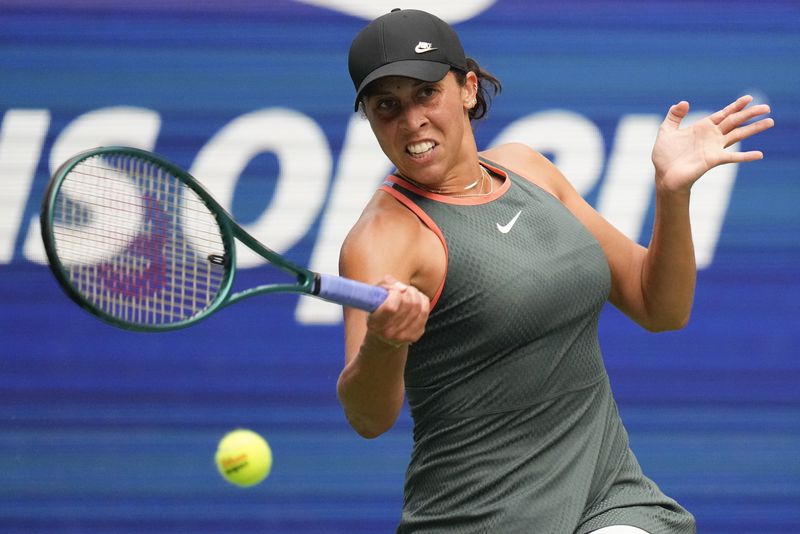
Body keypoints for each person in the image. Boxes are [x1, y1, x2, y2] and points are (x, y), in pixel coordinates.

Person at [336, 8, 773, 534]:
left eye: (426, 93)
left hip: (608, 496)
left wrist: (671, 193)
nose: (411, 121)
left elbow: (659, 306)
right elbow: (368, 418)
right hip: (479, 518)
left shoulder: (528, 168)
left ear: (468, 88)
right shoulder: (381, 238)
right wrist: (385, 342)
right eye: (388, 106)